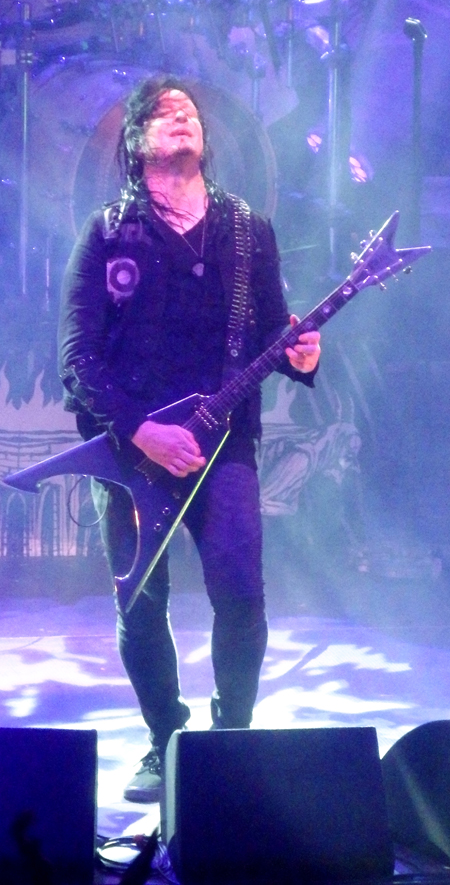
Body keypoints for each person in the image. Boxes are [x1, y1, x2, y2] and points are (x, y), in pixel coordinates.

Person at [59, 75, 321, 802]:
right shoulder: (108, 233)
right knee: (141, 604)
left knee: (241, 597)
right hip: (130, 451)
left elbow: (272, 333)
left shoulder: (247, 230)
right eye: (164, 112)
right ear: (136, 142)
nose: (182, 116)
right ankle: (164, 738)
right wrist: (141, 430)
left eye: (191, 112)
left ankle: (230, 740)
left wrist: (302, 356)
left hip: (222, 446)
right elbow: (77, 359)